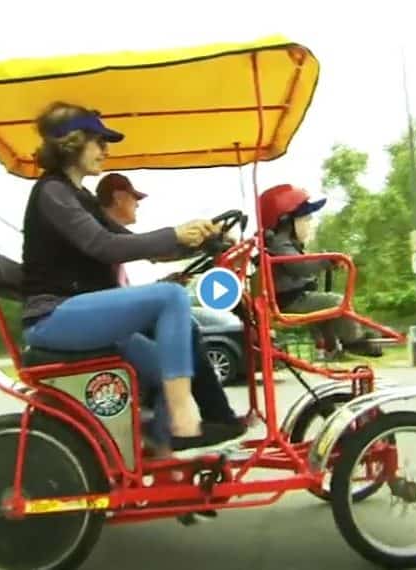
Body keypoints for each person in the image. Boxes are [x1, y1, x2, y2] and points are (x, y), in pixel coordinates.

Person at [20, 101, 240, 457]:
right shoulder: (53, 193)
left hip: (76, 314)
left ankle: (179, 448)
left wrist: (202, 241)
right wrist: (175, 233)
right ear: (72, 143)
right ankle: (183, 426)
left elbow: (140, 248)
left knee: (173, 350)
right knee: (170, 298)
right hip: (53, 317)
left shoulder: (81, 198)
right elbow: (103, 246)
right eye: (98, 141)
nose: (106, 150)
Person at [94, 172, 243, 429]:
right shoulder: (104, 237)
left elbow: (124, 289)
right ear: (118, 197)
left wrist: (164, 285)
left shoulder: (110, 235)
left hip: (112, 319)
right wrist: (197, 240)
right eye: (134, 197)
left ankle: (215, 415)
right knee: (185, 328)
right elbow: (154, 252)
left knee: (186, 324)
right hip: (107, 327)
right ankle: (208, 418)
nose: (138, 203)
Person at [260, 183, 382, 358]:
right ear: (286, 221)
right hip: (289, 301)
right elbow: (299, 266)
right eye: (305, 218)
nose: (310, 223)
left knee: (326, 305)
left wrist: (328, 262)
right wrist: (326, 260)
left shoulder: (282, 243)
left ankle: (330, 343)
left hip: (291, 298)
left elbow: (303, 264)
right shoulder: (280, 244)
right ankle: (354, 341)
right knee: (336, 301)